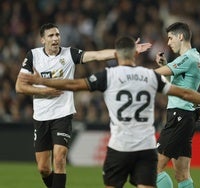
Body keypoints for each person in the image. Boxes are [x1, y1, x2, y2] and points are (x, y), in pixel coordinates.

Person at [18, 36, 200, 188]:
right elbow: (185, 93)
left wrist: (40, 80)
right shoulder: (149, 76)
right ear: (134, 53)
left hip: (119, 148)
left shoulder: (108, 75)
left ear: (117, 54)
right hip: (145, 147)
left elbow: (74, 85)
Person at [15, 23, 151, 188]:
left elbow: (97, 55)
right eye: (50, 36)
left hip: (62, 114)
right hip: (41, 116)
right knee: (43, 168)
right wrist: (44, 92)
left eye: (57, 35)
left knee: (60, 157)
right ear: (42, 40)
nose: (55, 38)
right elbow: (19, 87)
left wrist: (128, 51)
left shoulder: (69, 54)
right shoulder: (33, 56)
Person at [154, 22, 200, 188]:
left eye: (170, 38)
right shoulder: (192, 58)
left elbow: (155, 75)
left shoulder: (188, 58)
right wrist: (165, 65)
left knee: (153, 168)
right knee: (182, 174)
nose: (168, 43)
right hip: (185, 117)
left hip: (179, 116)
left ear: (180, 36)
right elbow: (175, 88)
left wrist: (136, 74)